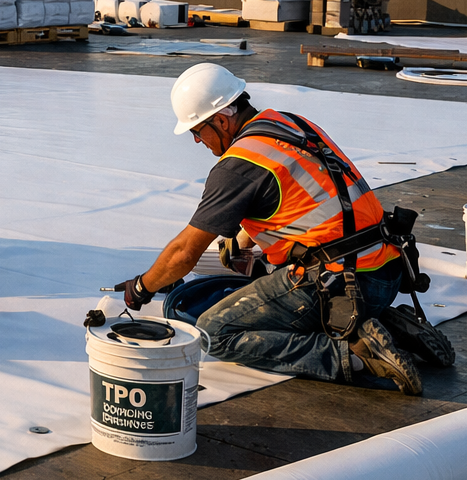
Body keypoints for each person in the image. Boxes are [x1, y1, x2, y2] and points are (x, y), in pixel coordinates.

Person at [112, 62, 423, 395]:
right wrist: (242, 236)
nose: (196, 141)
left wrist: (143, 286)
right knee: (267, 280)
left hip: (345, 286)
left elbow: (184, 252)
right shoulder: (289, 124)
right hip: (387, 270)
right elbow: (308, 194)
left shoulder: (237, 165)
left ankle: (354, 354)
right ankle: (389, 325)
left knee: (213, 331)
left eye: (196, 130)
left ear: (220, 120)